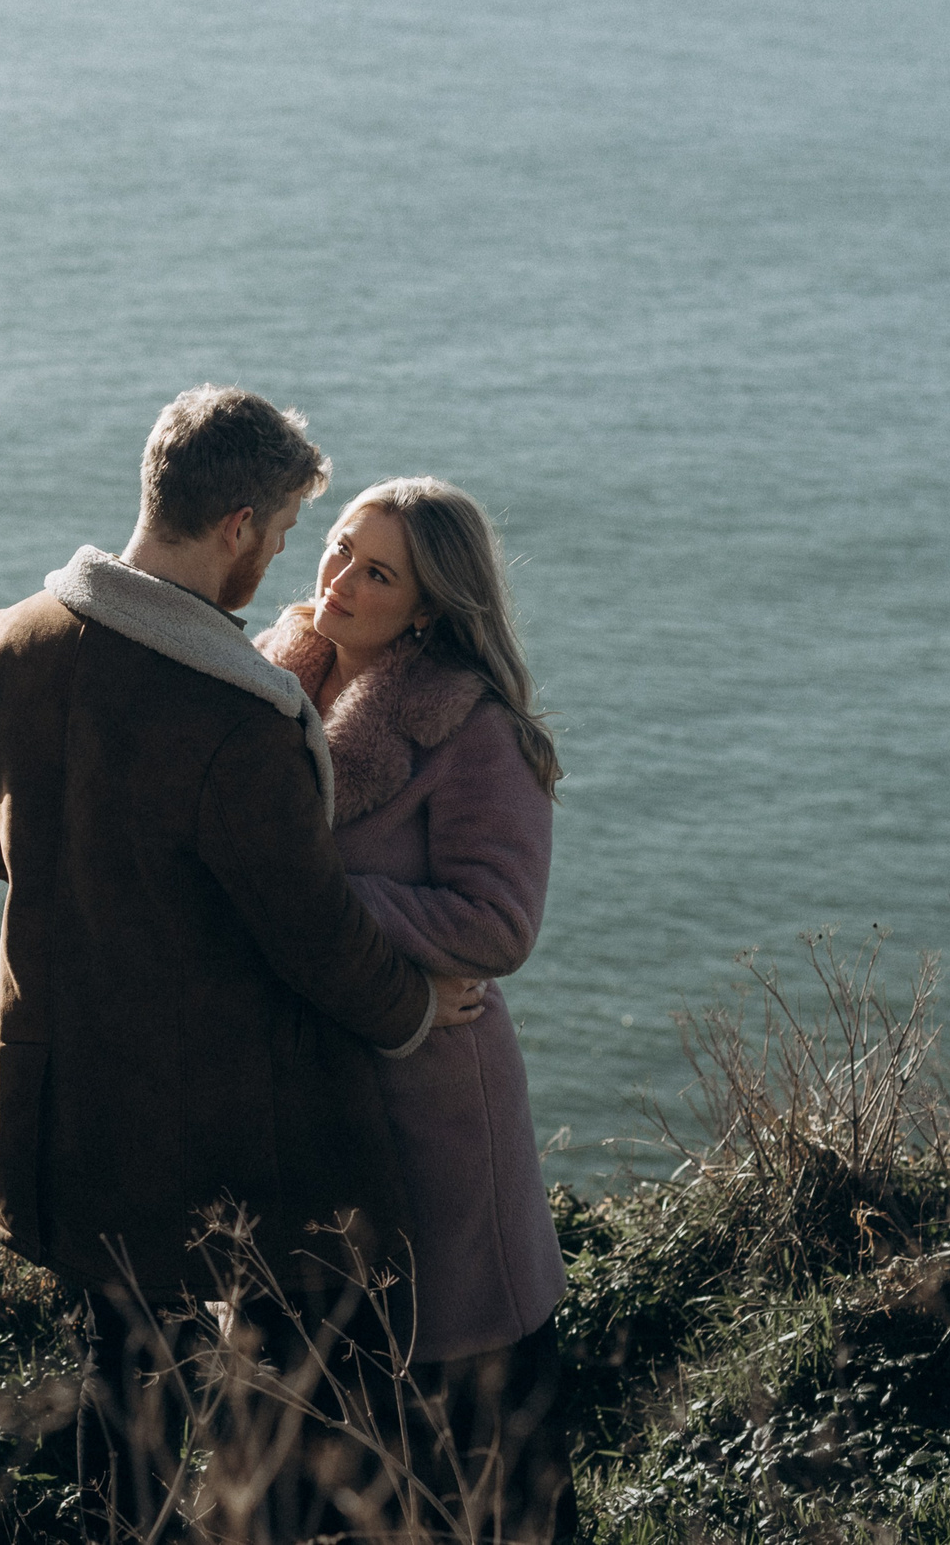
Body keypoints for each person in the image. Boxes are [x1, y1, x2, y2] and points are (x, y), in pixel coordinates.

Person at [0, 387, 488, 1539]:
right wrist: (415, 1007)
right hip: (212, 1132)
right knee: (301, 1415)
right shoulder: (239, 723)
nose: (290, 559)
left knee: (120, 1410)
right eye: (292, 531)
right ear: (240, 523)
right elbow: (312, 938)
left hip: (57, 1107)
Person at [255, 476, 574, 1543]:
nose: (337, 578)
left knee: (457, 1408)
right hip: (305, 1092)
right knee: (326, 1397)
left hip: (430, 1100)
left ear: (430, 607)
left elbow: (498, 923)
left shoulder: (471, 732)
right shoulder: (266, 684)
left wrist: (323, 907)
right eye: (338, 547)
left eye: (376, 571)